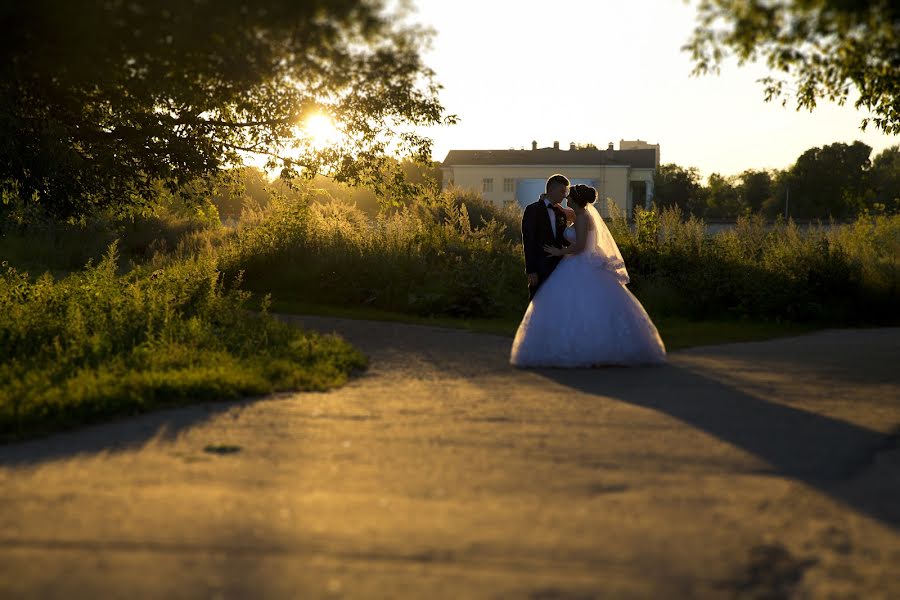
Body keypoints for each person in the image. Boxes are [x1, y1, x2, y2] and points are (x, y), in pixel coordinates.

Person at [510, 184, 666, 367]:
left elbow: (581, 245)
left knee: (582, 305)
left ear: (575, 200)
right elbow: (568, 215)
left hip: (581, 262)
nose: (566, 198)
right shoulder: (580, 215)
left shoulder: (583, 217)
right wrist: (556, 206)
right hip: (576, 263)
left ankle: (589, 349)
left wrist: (558, 251)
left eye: (569, 197)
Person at [520, 174, 573, 300]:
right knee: (537, 302)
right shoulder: (532, 210)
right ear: (551, 190)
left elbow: (563, 239)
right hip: (540, 267)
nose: (564, 195)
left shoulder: (561, 213)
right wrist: (531, 270)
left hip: (559, 267)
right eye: (562, 191)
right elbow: (528, 241)